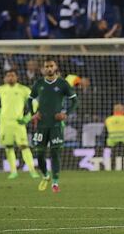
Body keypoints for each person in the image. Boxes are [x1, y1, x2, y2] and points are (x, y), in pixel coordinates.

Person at [27, 58, 78, 193]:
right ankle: (45, 176)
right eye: (46, 66)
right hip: (41, 125)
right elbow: (29, 99)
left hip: (56, 125)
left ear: (55, 67)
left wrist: (65, 114)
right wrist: (33, 113)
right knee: (39, 153)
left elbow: (75, 101)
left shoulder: (63, 83)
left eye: (51, 66)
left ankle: (55, 182)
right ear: (43, 69)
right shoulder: (39, 83)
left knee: (55, 153)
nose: (49, 68)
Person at [0, 69, 39, 179]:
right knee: (8, 147)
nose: (10, 77)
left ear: (17, 77)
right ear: (5, 78)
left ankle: (32, 171)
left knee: (24, 146)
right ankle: (13, 171)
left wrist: (28, 117)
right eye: (8, 76)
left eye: (12, 75)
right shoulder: (1, 89)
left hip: (18, 123)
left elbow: (34, 102)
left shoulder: (23, 89)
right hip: (4, 123)